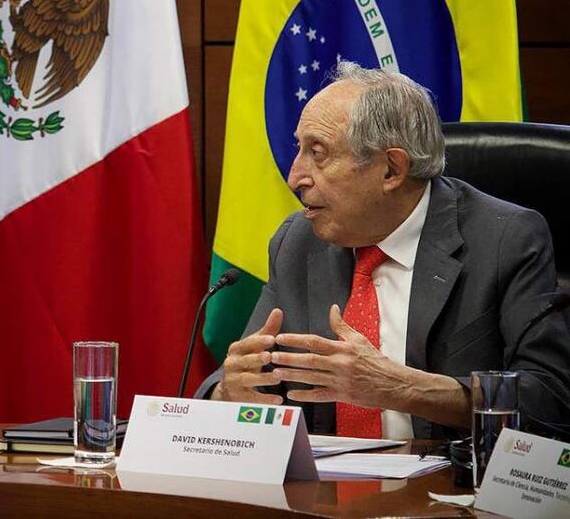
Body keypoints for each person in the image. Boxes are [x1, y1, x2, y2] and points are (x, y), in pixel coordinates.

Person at [196, 62, 570, 440]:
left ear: (391, 169)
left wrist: (402, 388)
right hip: (325, 490)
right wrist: (229, 390)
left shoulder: (505, 240)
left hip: (450, 488)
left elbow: (549, 398)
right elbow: (247, 371)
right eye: (299, 149)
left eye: (318, 153)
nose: (295, 177)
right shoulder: (299, 241)